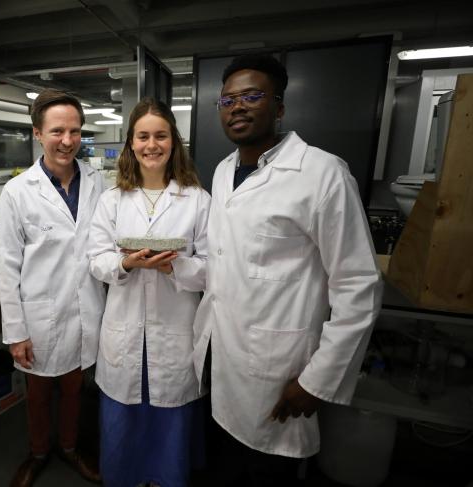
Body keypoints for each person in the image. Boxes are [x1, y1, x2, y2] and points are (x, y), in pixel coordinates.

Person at [192, 54, 382, 485]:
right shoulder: (223, 171)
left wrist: (318, 380)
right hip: (218, 357)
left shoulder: (322, 174)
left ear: (278, 107)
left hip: (277, 370)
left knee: (265, 471)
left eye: (252, 96)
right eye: (227, 100)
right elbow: (223, 262)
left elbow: (359, 285)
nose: (237, 106)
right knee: (221, 465)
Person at [88, 97, 210, 487]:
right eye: (143, 136)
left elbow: (213, 267)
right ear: (131, 143)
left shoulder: (198, 199)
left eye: (160, 136)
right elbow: (96, 260)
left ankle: (167, 478)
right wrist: (126, 263)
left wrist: (174, 264)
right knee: (123, 414)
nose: (151, 145)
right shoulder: (111, 200)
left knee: (171, 412)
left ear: (173, 142)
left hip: (175, 327)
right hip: (124, 331)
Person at [0, 89, 105, 487]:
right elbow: (7, 267)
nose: (68, 140)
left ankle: (71, 448)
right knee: (39, 392)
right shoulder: (17, 192)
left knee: (76, 388)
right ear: (38, 134)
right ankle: (39, 452)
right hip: (40, 313)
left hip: (87, 307)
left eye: (75, 131)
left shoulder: (97, 182)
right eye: (57, 130)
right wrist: (16, 332)